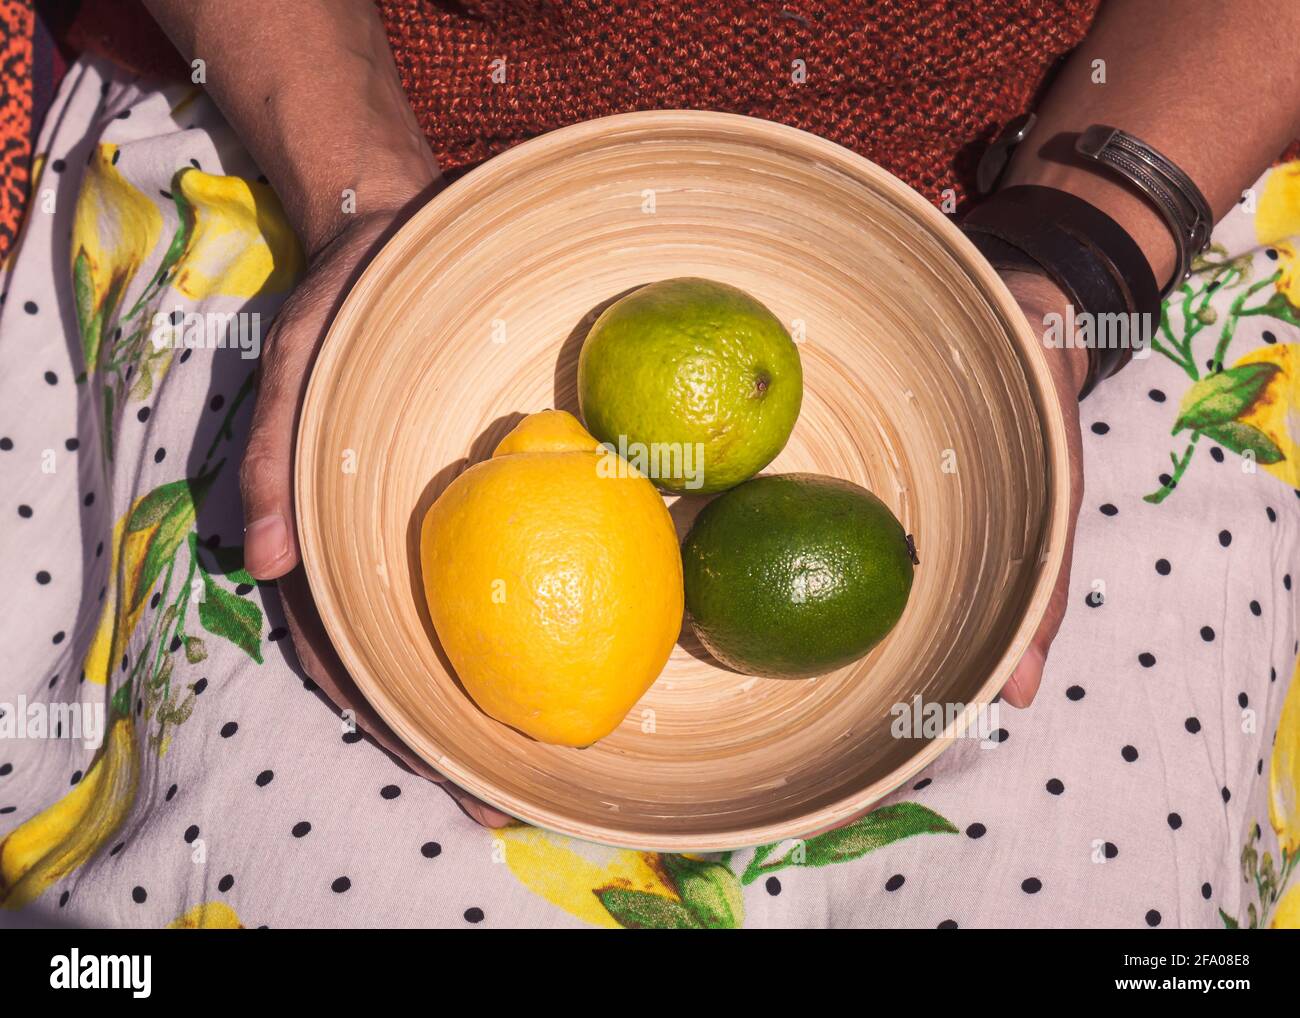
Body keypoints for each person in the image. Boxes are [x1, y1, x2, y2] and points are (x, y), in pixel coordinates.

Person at [1, 1, 1297, 927]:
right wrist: (374, 207)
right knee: (296, 874)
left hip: (1108, 144)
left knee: (1092, 879)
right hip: (321, 133)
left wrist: (1079, 254)